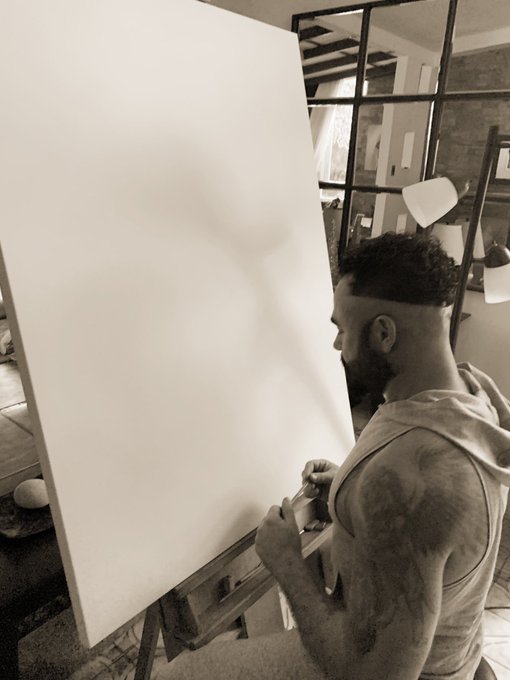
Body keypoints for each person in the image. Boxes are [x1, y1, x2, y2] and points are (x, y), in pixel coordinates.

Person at [164, 233, 510, 680]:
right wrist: (352, 484)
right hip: (444, 644)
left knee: (181, 673)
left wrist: (288, 563)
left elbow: (370, 674)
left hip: (398, 668)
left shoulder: (408, 480)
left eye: (342, 330)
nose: (336, 346)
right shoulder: (470, 396)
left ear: (384, 333)